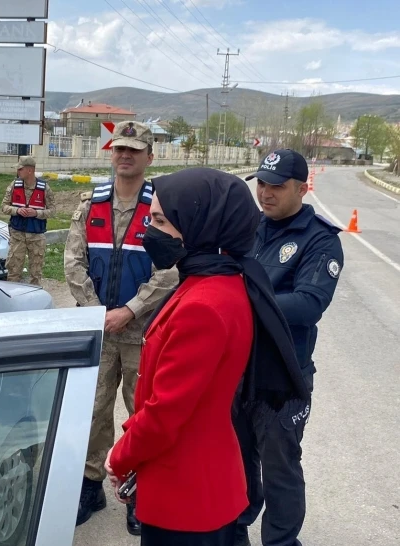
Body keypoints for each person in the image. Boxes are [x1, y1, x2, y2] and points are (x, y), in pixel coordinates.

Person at [105, 168, 311, 546]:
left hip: (185, 490)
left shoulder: (203, 305)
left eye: (161, 221)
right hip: (199, 477)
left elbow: (165, 415)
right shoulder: (219, 281)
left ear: (200, 224)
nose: (149, 232)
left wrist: (121, 457)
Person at [65, 120, 179, 535]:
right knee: (92, 412)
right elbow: (73, 262)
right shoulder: (89, 205)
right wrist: (96, 311)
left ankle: (138, 491)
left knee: (142, 414)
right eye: (119, 148)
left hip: (141, 332)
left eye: (134, 149)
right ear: (110, 153)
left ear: (150, 157)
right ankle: (91, 485)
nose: (125, 155)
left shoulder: (161, 211)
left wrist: (129, 310)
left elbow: (171, 270)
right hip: (99, 328)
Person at [233, 149, 344, 546]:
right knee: (239, 460)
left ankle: (280, 542)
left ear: (302, 187)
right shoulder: (251, 227)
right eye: (261, 183)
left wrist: (242, 300)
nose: (265, 193)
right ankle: (237, 528)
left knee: (280, 468)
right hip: (239, 371)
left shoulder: (320, 240)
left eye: (276, 186)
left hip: (282, 378)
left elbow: (310, 303)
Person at [1, 156, 56, 285]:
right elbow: (3, 206)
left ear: (30, 170)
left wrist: (36, 213)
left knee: (35, 274)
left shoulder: (44, 188)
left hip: (36, 236)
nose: (18, 172)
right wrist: (17, 210)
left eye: (20, 169)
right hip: (17, 235)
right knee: (13, 271)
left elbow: (53, 211)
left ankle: (34, 301)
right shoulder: (14, 185)